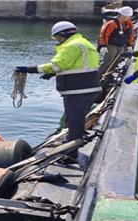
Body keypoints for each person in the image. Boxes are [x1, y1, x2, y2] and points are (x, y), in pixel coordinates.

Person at [15, 21, 101, 161]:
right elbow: (75, 65)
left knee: (75, 121)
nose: (57, 40)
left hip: (78, 90)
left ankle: (71, 154)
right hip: (86, 89)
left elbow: (57, 65)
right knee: (73, 119)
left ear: (63, 34)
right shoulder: (83, 42)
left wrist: (30, 69)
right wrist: (53, 74)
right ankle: (70, 142)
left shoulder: (71, 46)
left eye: (57, 37)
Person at [98, 6, 135, 77]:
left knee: (116, 62)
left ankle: (107, 76)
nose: (126, 18)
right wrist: (103, 45)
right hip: (111, 45)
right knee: (107, 62)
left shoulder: (129, 24)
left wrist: (130, 45)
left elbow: (130, 35)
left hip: (121, 46)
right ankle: (97, 77)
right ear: (120, 15)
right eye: (125, 16)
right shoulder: (112, 23)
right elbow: (104, 35)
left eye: (127, 16)